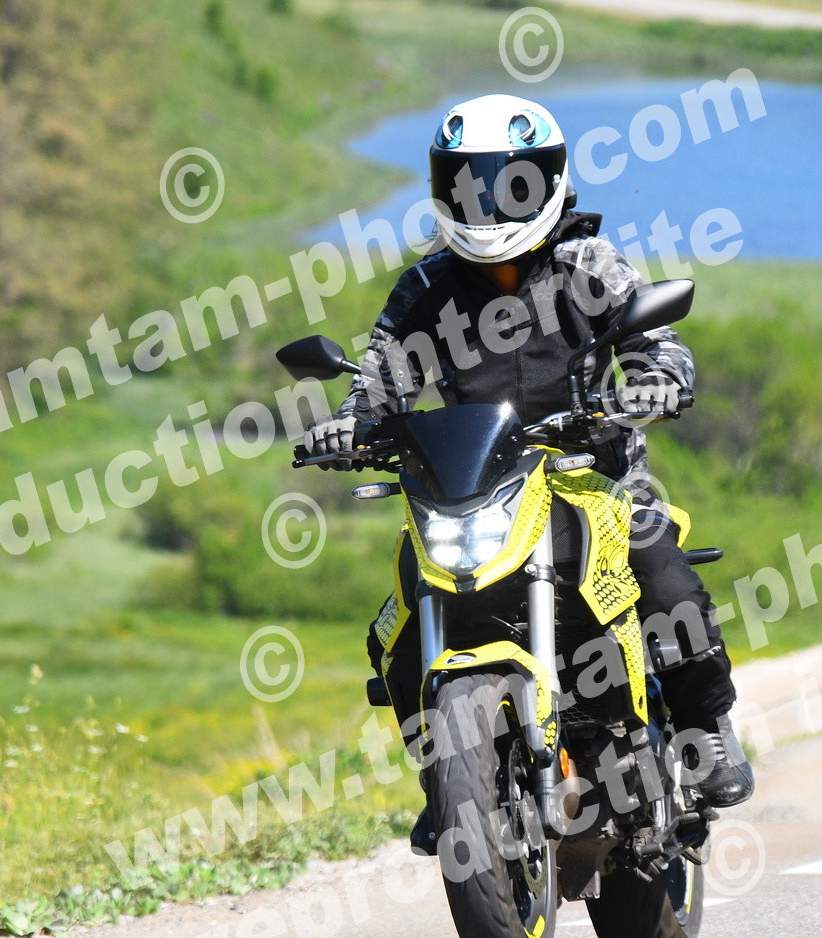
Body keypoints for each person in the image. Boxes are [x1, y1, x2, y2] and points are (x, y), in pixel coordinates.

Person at [303, 94, 752, 839]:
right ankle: (451, 781)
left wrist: (657, 378)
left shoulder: (590, 265)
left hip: (593, 480)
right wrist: (351, 426)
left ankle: (707, 729)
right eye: (470, 186)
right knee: (401, 618)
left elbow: (657, 340)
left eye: (510, 185)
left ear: (550, 180)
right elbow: (379, 381)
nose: (488, 206)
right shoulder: (425, 290)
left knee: (661, 568)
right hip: (473, 492)